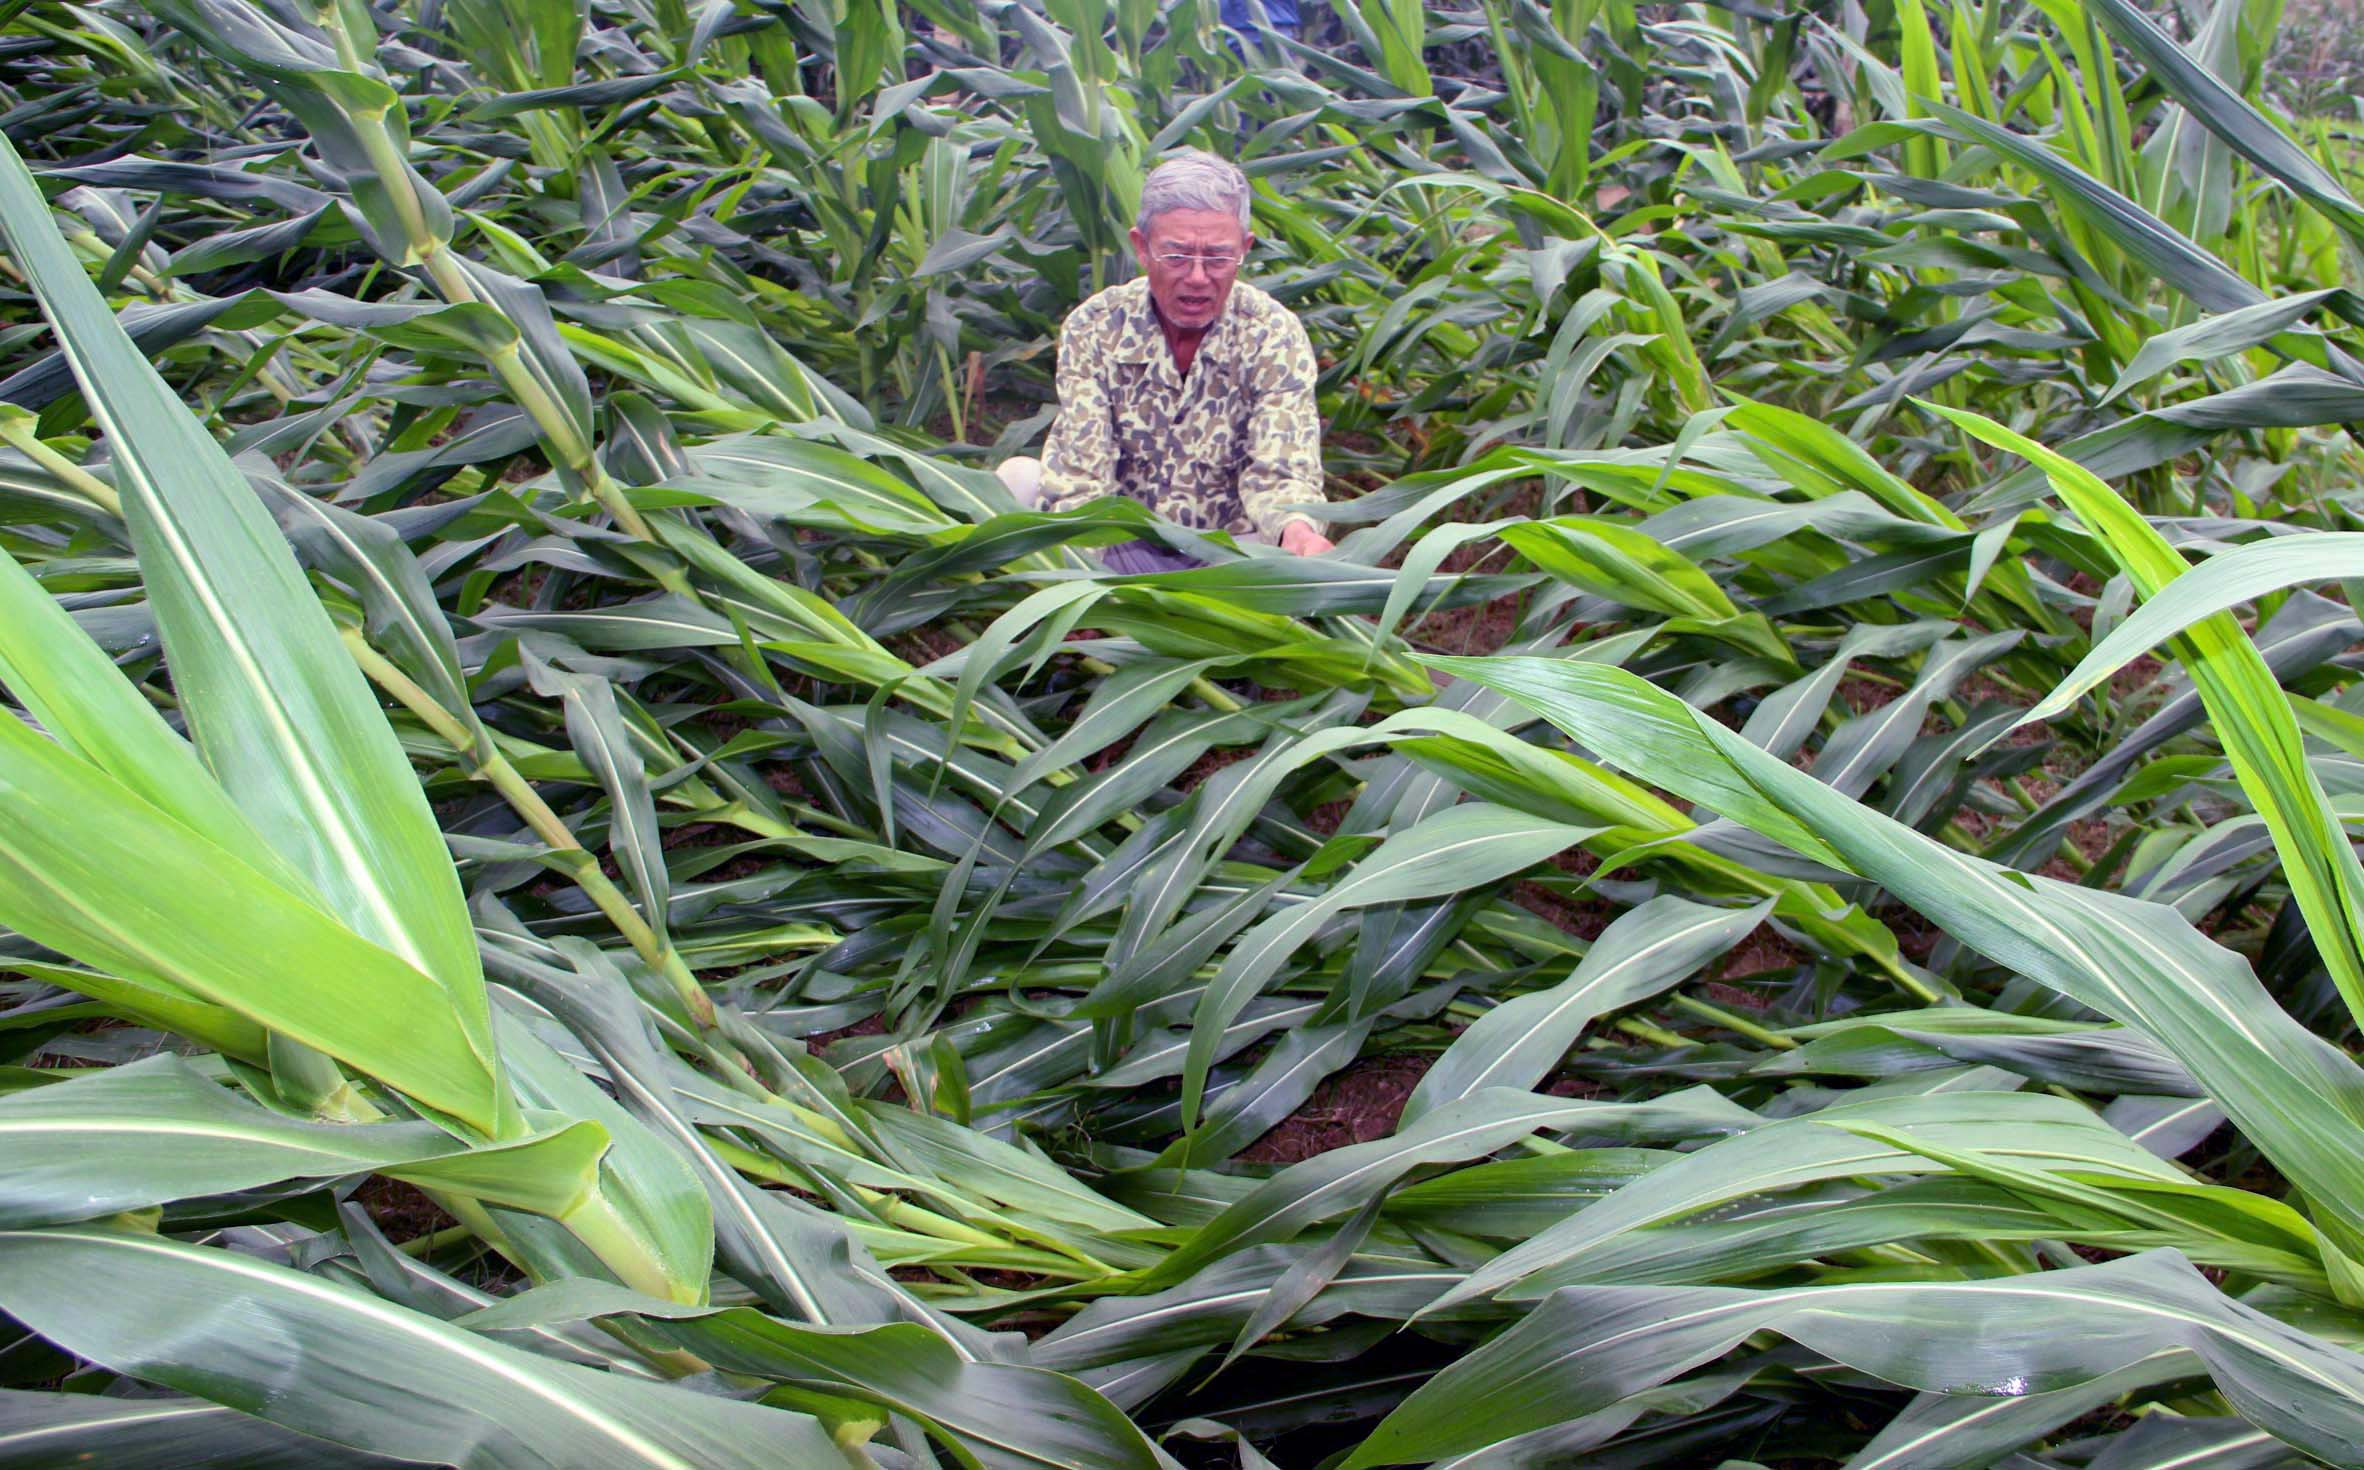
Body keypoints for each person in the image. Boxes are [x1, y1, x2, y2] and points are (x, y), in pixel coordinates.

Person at [997, 149, 1334, 574]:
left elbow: (1282, 469)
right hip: (1115, 545)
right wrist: (1087, 567)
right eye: (1176, 256)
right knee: (1017, 481)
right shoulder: (1096, 327)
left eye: (1217, 257)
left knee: (1292, 547)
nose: (1196, 277)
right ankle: (1105, 612)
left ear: (1244, 249)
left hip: (1225, 552)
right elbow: (1082, 476)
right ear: (1141, 246)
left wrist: (1298, 533)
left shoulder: (1272, 333)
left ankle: (1173, 613)